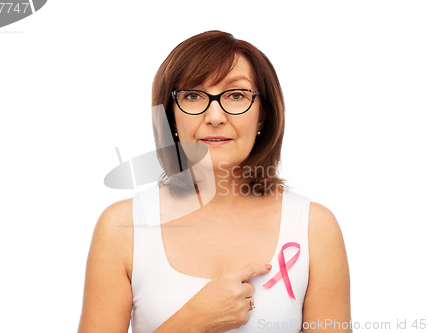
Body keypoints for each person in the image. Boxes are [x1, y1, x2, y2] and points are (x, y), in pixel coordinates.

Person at [78, 30, 352, 333]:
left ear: (263, 117)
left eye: (236, 95)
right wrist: (191, 321)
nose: (215, 115)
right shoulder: (122, 228)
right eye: (193, 96)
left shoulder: (314, 228)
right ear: (171, 119)